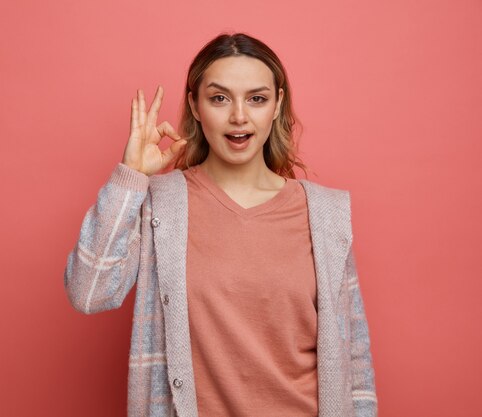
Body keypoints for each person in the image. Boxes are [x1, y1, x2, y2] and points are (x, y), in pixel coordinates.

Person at [64, 32, 377, 417]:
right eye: (219, 98)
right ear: (195, 105)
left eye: (257, 99)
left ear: (278, 105)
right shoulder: (160, 205)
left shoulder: (324, 213)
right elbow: (89, 291)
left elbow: (355, 366)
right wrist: (130, 178)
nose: (239, 117)